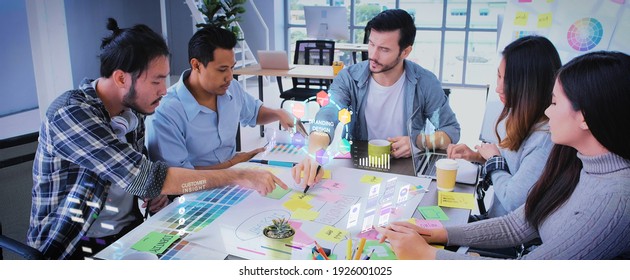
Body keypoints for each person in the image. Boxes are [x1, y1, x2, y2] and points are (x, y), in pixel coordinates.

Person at [28, 18, 287, 260]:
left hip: (125, 232)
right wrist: (238, 173)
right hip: (72, 245)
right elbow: (145, 178)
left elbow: (142, 180)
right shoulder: (71, 113)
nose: (164, 90)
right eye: (156, 81)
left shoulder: (132, 111)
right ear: (121, 78)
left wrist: (155, 198)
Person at [376, 51, 630, 260]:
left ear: (584, 116)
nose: (547, 111)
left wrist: (429, 257)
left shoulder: (615, 199)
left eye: (554, 103)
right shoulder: (574, 161)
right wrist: (439, 234)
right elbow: (516, 225)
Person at [292, 9, 460, 188]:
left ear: (405, 52)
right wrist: (315, 152)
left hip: (407, 170)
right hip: (360, 165)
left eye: (384, 49)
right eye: (371, 44)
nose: (373, 55)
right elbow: (328, 113)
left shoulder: (425, 82)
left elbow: (451, 130)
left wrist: (418, 142)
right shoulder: (349, 77)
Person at [146, 26, 294, 170]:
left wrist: (278, 113)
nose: (230, 77)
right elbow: (177, 177)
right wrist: (231, 165)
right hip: (195, 189)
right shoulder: (165, 113)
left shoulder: (231, 88)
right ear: (196, 65)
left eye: (232, 68)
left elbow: (254, 113)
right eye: (222, 69)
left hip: (234, 174)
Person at [447, 36, 560, 219]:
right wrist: (477, 157)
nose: (498, 88)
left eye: (507, 81)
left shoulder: (544, 139)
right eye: (498, 77)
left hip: (506, 237)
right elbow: (515, 171)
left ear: (530, 85)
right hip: (495, 222)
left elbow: (512, 199)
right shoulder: (523, 119)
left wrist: (493, 159)